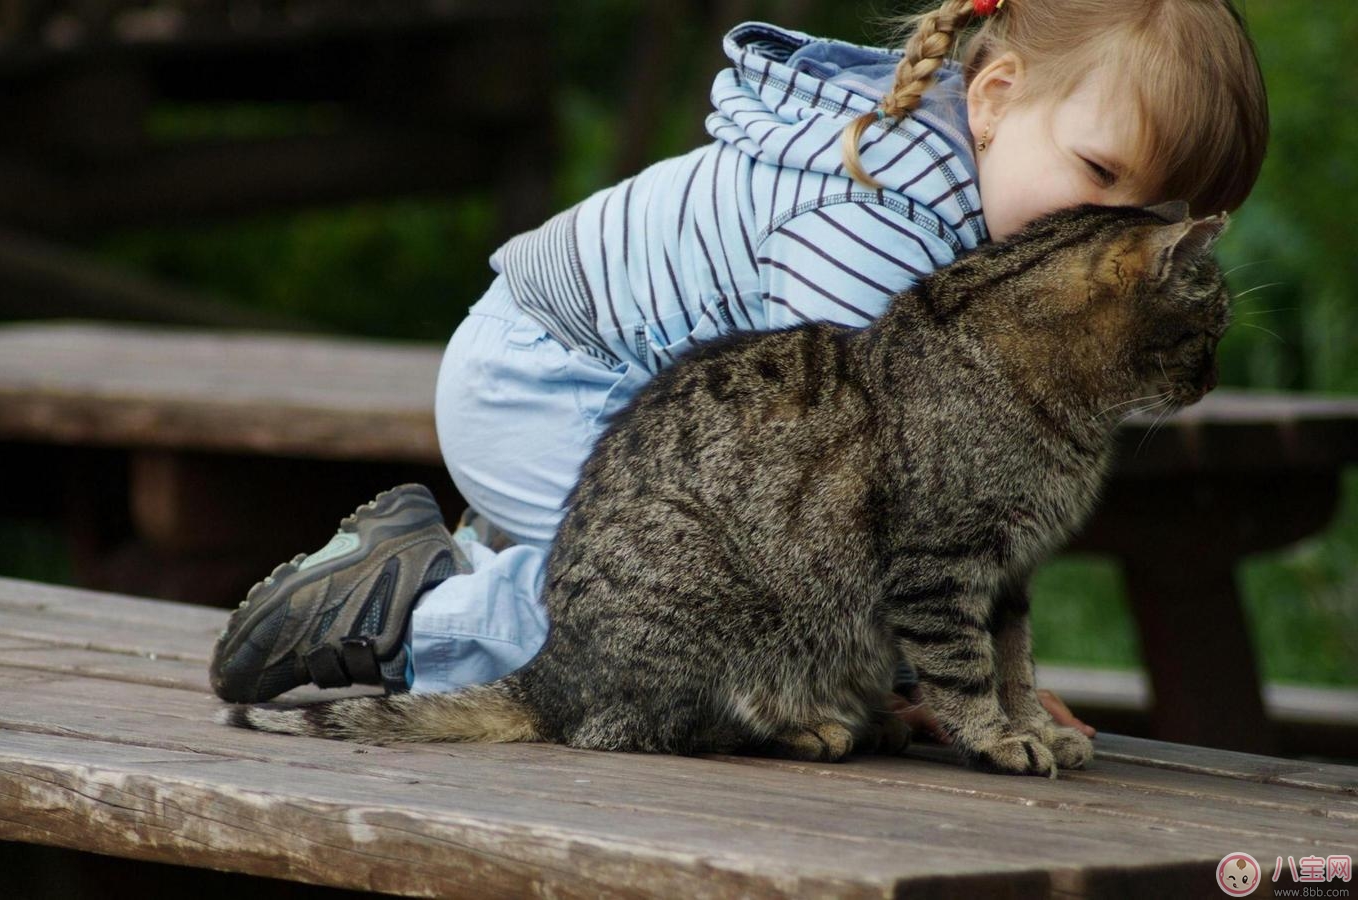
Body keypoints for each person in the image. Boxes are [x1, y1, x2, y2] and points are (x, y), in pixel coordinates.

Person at [210, 0, 1267, 745]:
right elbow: (833, 495)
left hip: (605, 377)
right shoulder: (886, 225)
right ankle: (398, 611)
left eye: (1151, 218)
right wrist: (947, 682)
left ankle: (445, 563)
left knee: (670, 593)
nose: (1109, 235)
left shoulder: (961, 186)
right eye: (1098, 176)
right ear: (992, 96)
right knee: (646, 630)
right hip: (547, 371)